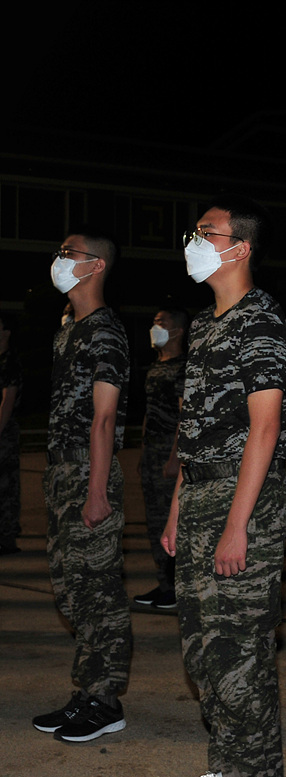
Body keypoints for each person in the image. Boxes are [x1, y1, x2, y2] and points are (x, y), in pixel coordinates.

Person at [162, 194, 286, 777]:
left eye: (205, 232)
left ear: (239, 248)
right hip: (198, 498)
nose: (193, 241)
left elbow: (265, 426)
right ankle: (228, 768)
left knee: (238, 655)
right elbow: (193, 430)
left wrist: (237, 524)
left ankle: (252, 775)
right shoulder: (204, 326)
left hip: (244, 503)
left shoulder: (260, 318)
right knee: (202, 650)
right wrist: (175, 509)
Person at [33, 228, 132, 743]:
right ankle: (88, 688)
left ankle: (106, 700)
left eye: (68, 253)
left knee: (97, 590)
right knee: (71, 589)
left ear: (95, 265)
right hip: (60, 473)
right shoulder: (68, 328)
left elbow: (105, 417)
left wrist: (97, 490)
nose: (59, 260)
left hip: (86, 472)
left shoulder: (106, 331)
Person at [134, 307, 187, 609]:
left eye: (161, 323)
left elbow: (184, 416)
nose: (155, 328)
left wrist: (174, 458)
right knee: (154, 522)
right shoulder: (155, 366)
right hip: (152, 452)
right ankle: (164, 583)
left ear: (178, 331)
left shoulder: (182, 367)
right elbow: (149, 413)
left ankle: (177, 587)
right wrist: (143, 451)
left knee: (172, 522)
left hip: (170, 452)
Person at [0, 312, 22, 555]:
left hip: (4, 432)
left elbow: (7, 401)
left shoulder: (10, 362)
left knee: (6, 486)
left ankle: (7, 538)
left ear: (6, 333)